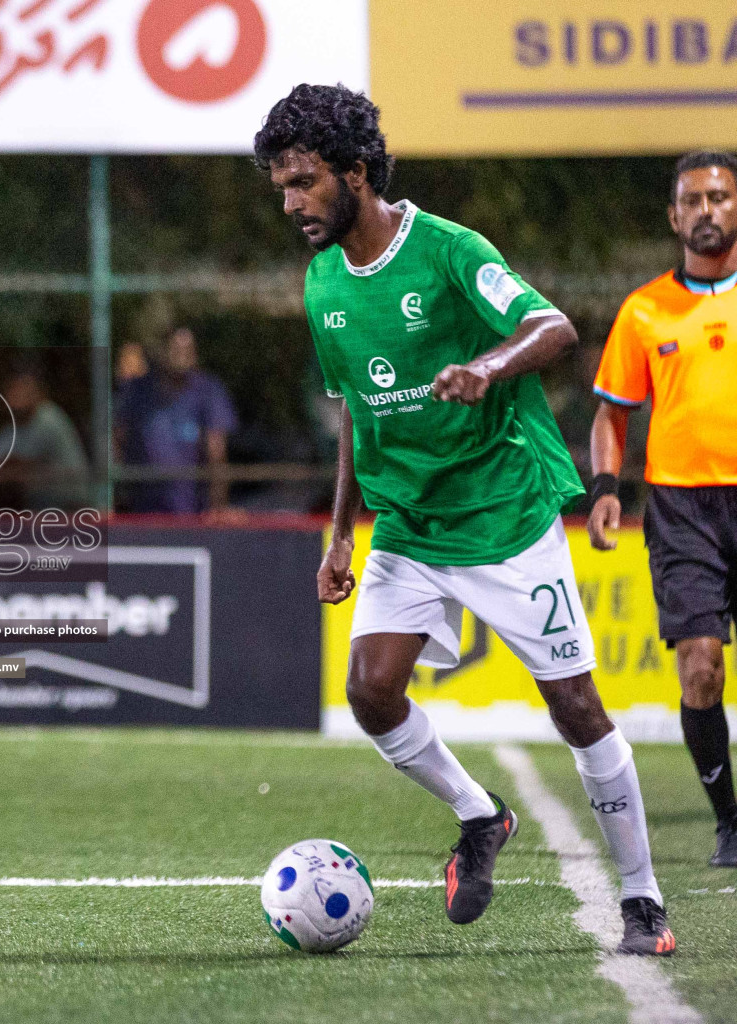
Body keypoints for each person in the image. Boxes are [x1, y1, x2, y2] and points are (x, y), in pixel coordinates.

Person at [255, 83, 672, 955]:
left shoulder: (447, 250)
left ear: (356, 172)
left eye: (302, 182)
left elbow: (552, 327)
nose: (289, 201)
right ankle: (481, 817)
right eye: (281, 185)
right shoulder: (323, 279)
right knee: (371, 692)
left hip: (504, 518)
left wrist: (487, 365)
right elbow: (355, 413)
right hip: (408, 526)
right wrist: (341, 533)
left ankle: (642, 901)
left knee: (577, 707)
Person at [589, 151, 737, 868]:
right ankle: (730, 823)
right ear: (675, 216)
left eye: (720, 196)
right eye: (694, 200)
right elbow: (611, 413)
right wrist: (606, 488)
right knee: (701, 669)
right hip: (681, 509)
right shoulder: (645, 309)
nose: (708, 209)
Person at [114, 326, 237, 515]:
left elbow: (217, 452)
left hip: (191, 513)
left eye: (188, 350)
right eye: (176, 349)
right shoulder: (137, 391)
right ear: (163, 349)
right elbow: (116, 442)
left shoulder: (208, 391)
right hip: (141, 511)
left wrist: (218, 507)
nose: (182, 355)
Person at [0, 367, 90, 510]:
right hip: (39, 503)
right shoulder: (13, 425)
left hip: (68, 505)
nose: (15, 398)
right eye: (12, 392)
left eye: (21, 391)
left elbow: (20, 462)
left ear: (35, 393)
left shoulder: (49, 416)